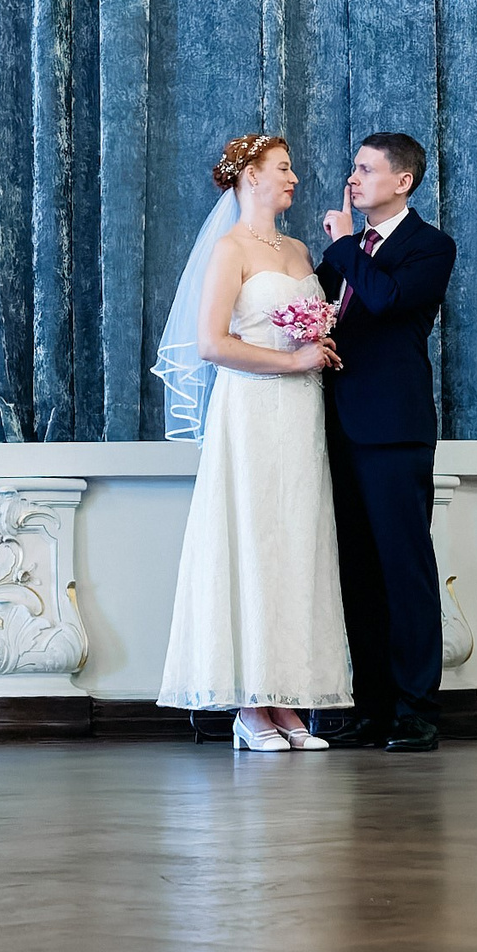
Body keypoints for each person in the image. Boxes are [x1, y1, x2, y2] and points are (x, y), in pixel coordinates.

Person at [154, 134, 354, 750]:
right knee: (251, 541)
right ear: (249, 177)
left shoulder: (298, 249)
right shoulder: (229, 249)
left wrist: (315, 351)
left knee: (298, 542)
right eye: (282, 168)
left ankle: (287, 700)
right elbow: (212, 344)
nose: (293, 177)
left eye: (291, 167)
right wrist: (291, 363)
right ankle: (249, 707)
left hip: (302, 416)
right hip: (250, 412)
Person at [317, 132, 457, 753]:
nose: (353, 179)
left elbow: (386, 299)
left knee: (405, 570)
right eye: (353, 168)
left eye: (366, 169)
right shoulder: (344, 253)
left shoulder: (430, 247)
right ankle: (371, 706)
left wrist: (346, 244)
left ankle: (417, 709)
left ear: (402, 181)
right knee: (359, 574)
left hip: (394, 429)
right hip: (336, 427)